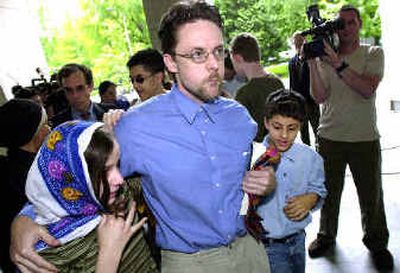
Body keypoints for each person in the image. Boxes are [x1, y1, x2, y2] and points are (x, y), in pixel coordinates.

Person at [10, 1, 276, 272]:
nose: (213, 66)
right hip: (191, 262)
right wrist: (24, 219)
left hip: (250, 251)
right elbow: (80, 179)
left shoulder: (239, 118)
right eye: (197, 54)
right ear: (170, 62)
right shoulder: (135, 127)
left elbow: (249, 177)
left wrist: (267, 183)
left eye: (218, 52)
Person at [306, 5, 393, 270]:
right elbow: (319, 97)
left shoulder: (372, 53)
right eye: (340, 23)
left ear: (359, 25)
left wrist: (337, 63)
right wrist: (312, 61)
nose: (345, 27)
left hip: (364, 137)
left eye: (351, 22)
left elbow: (366, 89)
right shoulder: (324, 58)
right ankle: (326, 236)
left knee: (371, 196)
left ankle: (377, 243)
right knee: (328, 194)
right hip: (330, 136)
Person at [19, 121, 157, 272]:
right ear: (71, 179)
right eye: (105, 171)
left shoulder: (119, 194)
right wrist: (109, 255)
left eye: (117, 165)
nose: (119, 180)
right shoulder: (46, 251)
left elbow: (155, 177)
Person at [255, 89, 326, 273]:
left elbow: (319, 189)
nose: (284, 135)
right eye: (277, 127)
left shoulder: (310, 158)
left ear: (301, 125)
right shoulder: (254, 158)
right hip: (268, 246)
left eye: (292, 128)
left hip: (298, 239)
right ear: (266, 123)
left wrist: (311, 198)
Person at [0, 99, 50, 273]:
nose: (50, 129)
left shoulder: (8, 167)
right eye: (45, 124)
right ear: (32, 133)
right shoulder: (36, 175)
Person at [231, 33, 285, 142]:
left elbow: (241, 133)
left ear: (237, 58)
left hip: (262, 153)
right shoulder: (277, 82)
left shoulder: (244, 93)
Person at [50, 63, 116, 127]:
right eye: (68, 90)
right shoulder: (57, 124)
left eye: (80, 88)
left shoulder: (112, 112)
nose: (75, 95)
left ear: (90, 86)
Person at [288, 33, 320, 146]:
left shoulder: (312, 59)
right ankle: (308, 154)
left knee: (318, 129)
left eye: (300, 41)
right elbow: (292, 84)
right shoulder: (291, 62)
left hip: (312, 101)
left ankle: (319, 152)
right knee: (303, 133)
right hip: (299, 104)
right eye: (296, 42)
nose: (298, 44)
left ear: (305, 41)